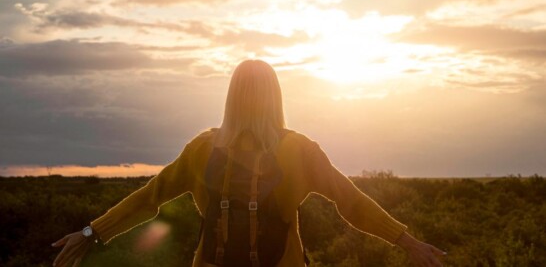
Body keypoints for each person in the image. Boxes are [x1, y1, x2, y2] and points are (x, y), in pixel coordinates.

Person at [52, 60, 446, 267]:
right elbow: (351, 202)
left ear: (231, 96)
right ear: (276, 97)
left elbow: (146, 200)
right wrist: (407, 242)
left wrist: (90, 234)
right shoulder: (299, 150)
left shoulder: (202, 149)